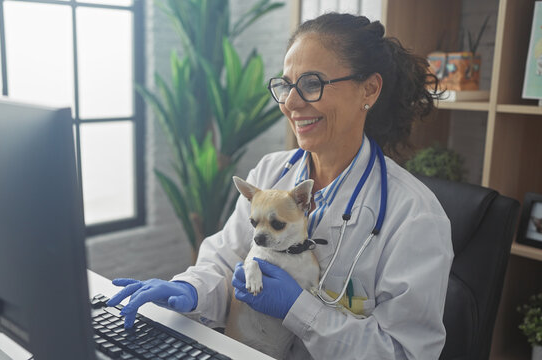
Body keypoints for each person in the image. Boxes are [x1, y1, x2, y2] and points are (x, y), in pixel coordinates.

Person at [107, 12, 453, 359]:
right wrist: (190, 288)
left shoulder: (413, 215)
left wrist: (299, 309)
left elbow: (405, 354)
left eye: (312, 83)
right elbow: (226, 262)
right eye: (287, 85)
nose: (290, 102)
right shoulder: (271, 172)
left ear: (369, 89)